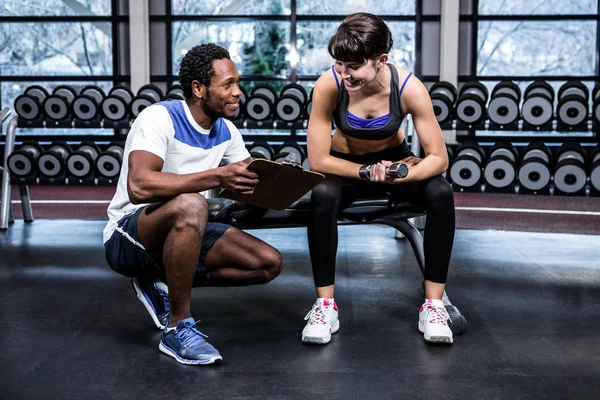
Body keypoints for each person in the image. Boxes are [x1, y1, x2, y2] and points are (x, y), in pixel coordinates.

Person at [103, 43, 283, 366]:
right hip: (128, 234)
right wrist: (217, 177)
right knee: (193, 205)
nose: (238, 92)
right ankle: (177, 327)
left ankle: (163, 282)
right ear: (199, 89)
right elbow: (139, 185)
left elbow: (245, 183)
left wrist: (284, 187)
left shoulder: (226, 131)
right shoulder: (160, 118)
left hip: (185, 230)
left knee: (268, 262)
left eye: (237, 83)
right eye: (227, 84)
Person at [303, 13, 455, 345]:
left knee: (441, 193)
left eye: (353, 68)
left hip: (395, 165)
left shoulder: (408, 88)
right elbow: (318, 159)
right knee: (323, 195)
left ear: (381, 60)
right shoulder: (329, 84)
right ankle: (325, 306)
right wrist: (363, 172)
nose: (345, 74)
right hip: (344, 167)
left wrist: (406, 174)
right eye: (339, 65)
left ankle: (433, 305)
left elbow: (439, 158)